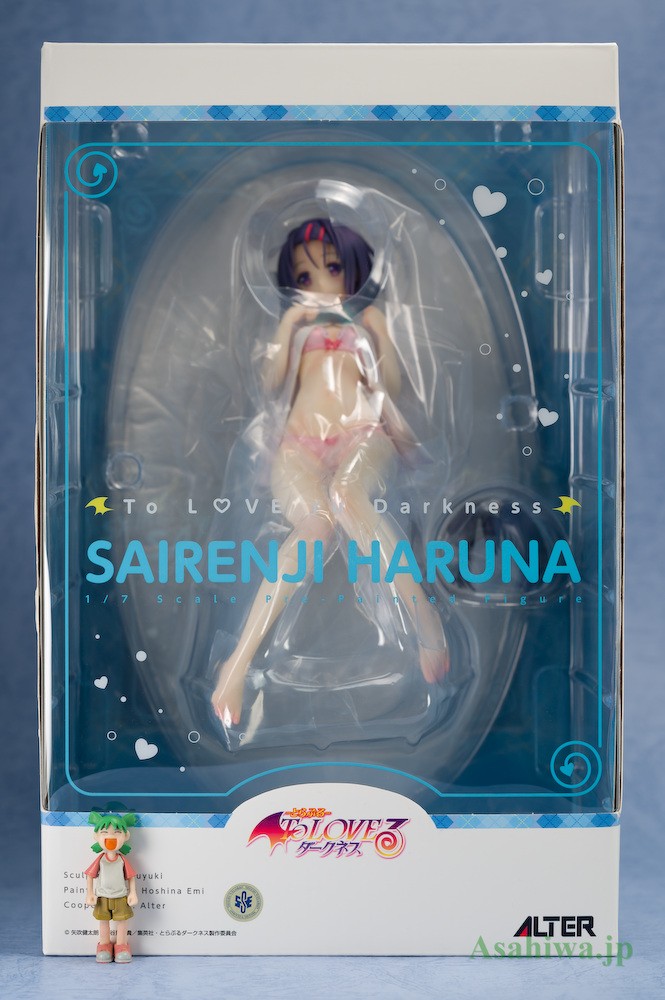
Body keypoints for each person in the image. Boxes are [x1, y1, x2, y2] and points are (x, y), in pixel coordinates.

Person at [212, 218, 448, 728]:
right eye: (304, 276)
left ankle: (424, 617)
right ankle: (238, 662)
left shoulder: (364, 326)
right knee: (315, 526)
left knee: (347, 497)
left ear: (354, 271)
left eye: (333, 268)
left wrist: (380, 332)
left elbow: (390, 387)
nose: (320, 283)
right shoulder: (300, 330)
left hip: (362, 434)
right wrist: (288, 325)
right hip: (300, 441)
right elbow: (271, 383)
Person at [84, 811, 138, 963]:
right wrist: (90, 893)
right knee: (103, 922)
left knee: (122, 922)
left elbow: (131, 876)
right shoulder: (100, 859)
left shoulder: (122, 860)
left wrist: (133, 893)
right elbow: (90, 875)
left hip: (121, 897)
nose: (111, 837)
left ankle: (121, 946)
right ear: (96, 836)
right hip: (102, 897)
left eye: (117, 832)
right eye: (104, 832)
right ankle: (104, 945)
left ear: (126, 836)